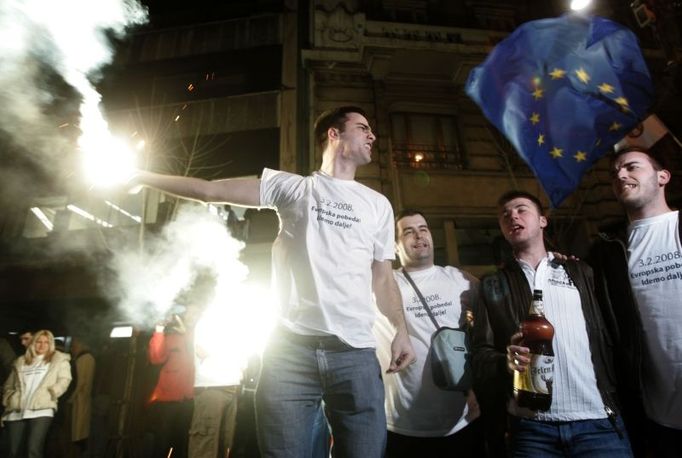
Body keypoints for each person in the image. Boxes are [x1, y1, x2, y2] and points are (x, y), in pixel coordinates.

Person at [131, 106, 415, 457]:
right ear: (334, 135)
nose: (373, 135)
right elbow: (208, 190)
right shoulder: (293, 188)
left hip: (354, 353)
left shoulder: (378, 205)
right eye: (363, 128)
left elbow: (383, 278)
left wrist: (401, 328)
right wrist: (141, 175)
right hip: (289, 355)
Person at [472, 191, 632, 457]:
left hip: (597, 421)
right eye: (504, 215)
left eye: (521, 209)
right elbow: (479, 353)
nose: (512, 216)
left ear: (543, 221)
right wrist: (505, 361)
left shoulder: (581, 271)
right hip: (532, 429)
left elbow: (614, 332)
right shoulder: (492, 284)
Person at [589, 147, 682, 457]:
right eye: (615, 172)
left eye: (632, 167)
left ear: (662, 176)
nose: (620, 175)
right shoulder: (606, 254)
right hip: (656, 419)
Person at [374, 209, 483, 457]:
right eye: (408, 232)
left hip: (461, 421)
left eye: (423, 229)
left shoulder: (458, 278)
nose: (419, 236)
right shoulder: (380, 284)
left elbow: (501, 302)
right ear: (394, 245)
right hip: (402, 425)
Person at [1, 329, 72, 458]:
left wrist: (52, 393)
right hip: (17, 410)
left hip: (42, 409)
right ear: (34, 343)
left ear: (51, 344)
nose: (42, 345)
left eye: (46, 342)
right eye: (39, 341)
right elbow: (8, 385)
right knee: (13, 451)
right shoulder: (21, 361)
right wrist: (9, 397)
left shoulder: (59, 359)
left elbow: (65, 380)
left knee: (33, 450)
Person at [189, 305, 242, 458]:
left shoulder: (236, 323)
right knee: (205, 443)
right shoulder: (208, 321)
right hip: (211, 388)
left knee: (225, 444)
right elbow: (202, 350)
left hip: (231, 387)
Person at [147, 313, 194, 458]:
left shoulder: (196, 336)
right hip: (168, 400)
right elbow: (155, 357)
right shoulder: (169, 338)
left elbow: (198, 352)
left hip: (190, 399)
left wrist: (186, 333)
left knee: (184, 444)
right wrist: (160, 329)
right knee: (162, 443)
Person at [67, 337, 95, 457]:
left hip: (79, 399)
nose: (72, 349)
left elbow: (80, 382)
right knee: (81, 431)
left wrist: (70, 399)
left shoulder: (84, 359)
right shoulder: (88, 358)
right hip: (83, 399)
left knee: (78, 432)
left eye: (74, 346)